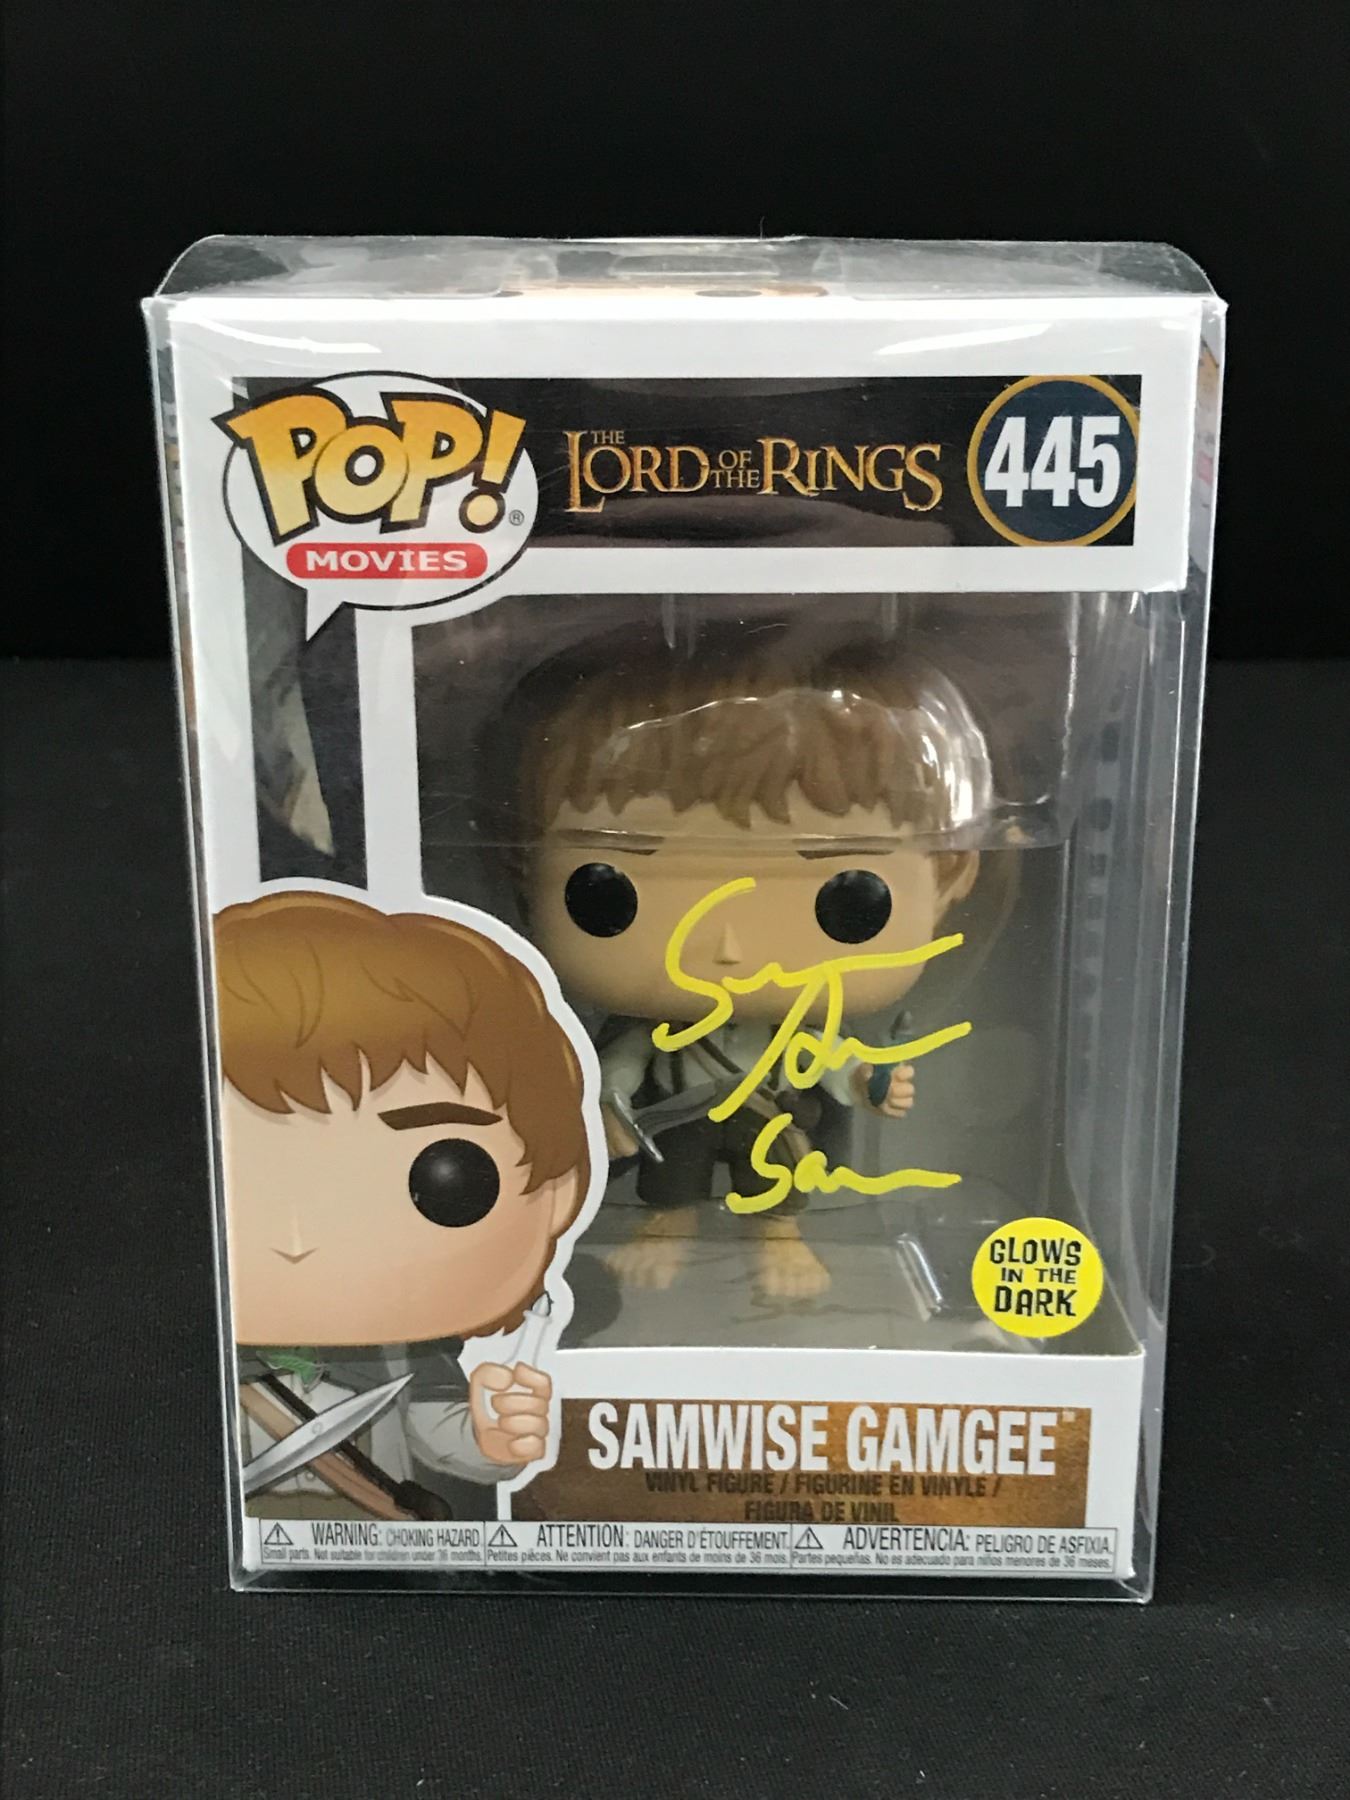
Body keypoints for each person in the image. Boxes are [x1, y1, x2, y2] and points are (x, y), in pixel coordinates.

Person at [517, 633, 992, 1300]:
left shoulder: (798, 1029)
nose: (730, 948)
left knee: (777, 1162)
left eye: (848, 900)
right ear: (527, 876)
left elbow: (834, 1060)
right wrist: (608, 1108)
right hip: (679, 1114)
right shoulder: (652, 1034)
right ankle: (668, 1221)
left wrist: (869, 1081)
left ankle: (779, 1233)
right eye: (607, 894)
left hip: (772, 1110)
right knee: (672, 1165)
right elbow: (617, 1070)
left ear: (950, 877)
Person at [215, 890, 591, 1520]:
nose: (298, 1241)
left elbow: (439, 1431)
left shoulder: (401, 1346)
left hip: (377, 1544)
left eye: (447, 1180)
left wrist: (493, 1438)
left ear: (557, 1192)